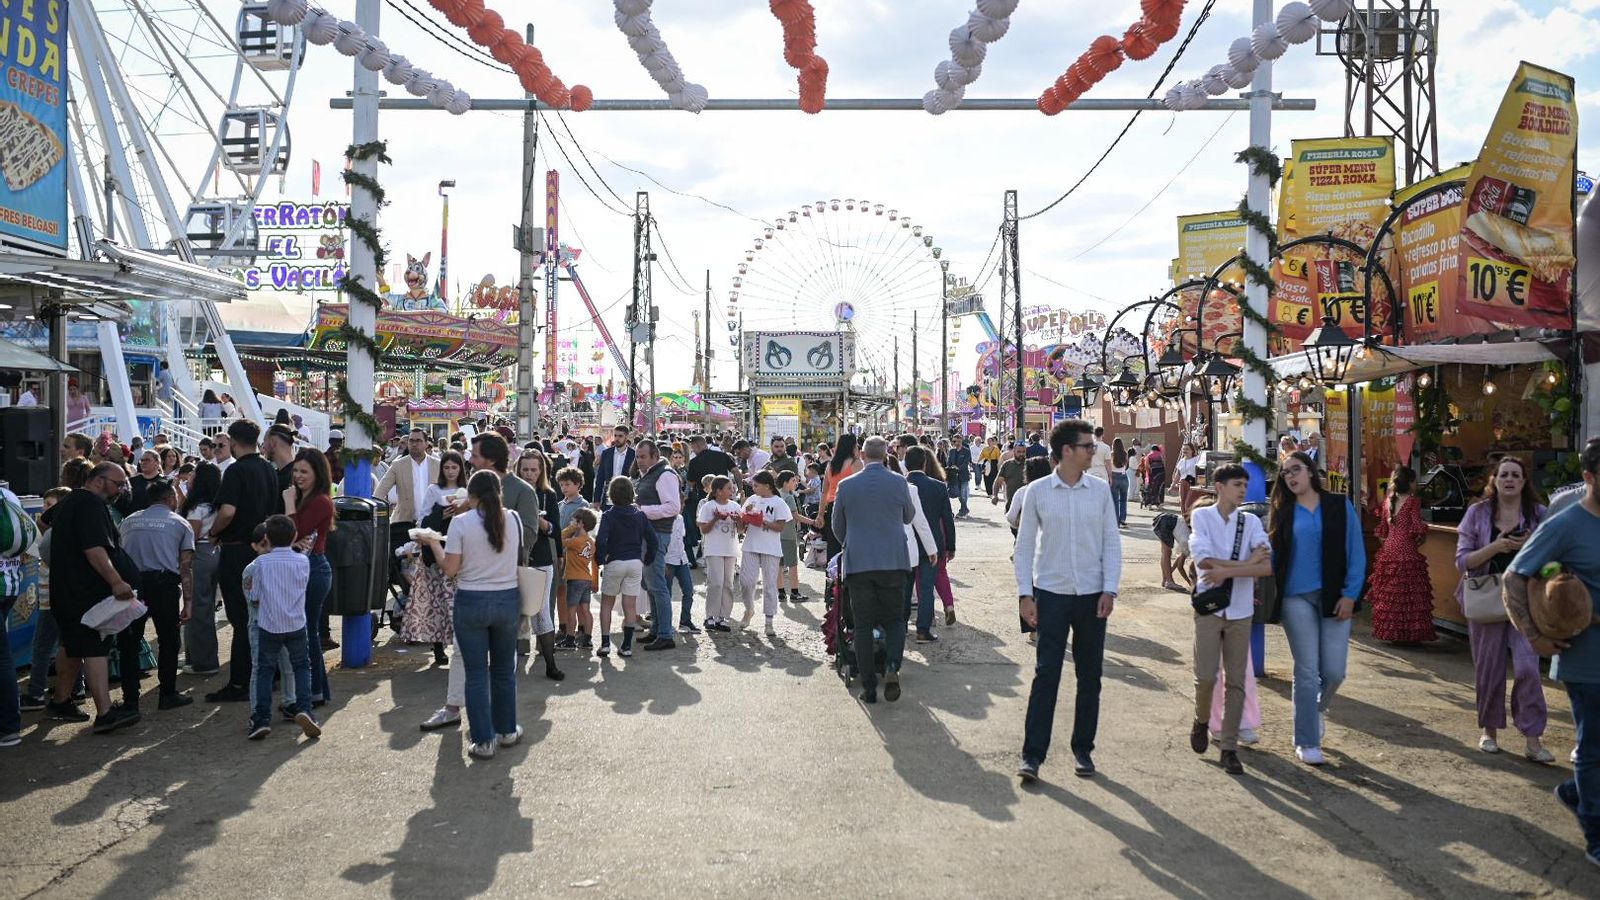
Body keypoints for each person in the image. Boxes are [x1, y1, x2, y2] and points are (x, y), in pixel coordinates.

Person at [1503, 437, 1600, 866]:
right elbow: (1514, 577)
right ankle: (1596, 836)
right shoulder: (1566, 524)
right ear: (1589, 477)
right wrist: (1532, 637)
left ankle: (1577, 791)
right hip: (1585, 654)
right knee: (1594, 747)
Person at [1014, 420, 1121, 783]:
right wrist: (1025, 594)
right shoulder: (1038, 491)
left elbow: (1111, 542)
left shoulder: (1099, 491)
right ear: (1067, 451)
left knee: (1090, 676)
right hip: (1051, 594)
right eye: (1088, 446)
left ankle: (1083, 749)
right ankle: (1032, 755)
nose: (1094, 451)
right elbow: (1024, 546)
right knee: (1047, 674)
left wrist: (1110, 589)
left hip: (1093, 596)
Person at [1267, 450, 1367, 767]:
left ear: (1310, 471)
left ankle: (1316, 710)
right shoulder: (1283, 511)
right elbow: (1273, 557)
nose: (1290, 477)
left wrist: (1351, 595)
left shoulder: (1338, 506)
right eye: (1285, 473)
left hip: (1334, 597)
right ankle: (1307, 740)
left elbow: (1356, 553)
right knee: (1307, 670)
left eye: (1296, 470)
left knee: (1335, 672)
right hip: (1295, 599)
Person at [414, 472, 522, 759]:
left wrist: (433, 543)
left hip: (472, 599)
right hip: (507, 598)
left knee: (475, 673)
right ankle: (507, 730)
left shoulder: (461, 523)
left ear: (470, 495)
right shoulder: (513, 519)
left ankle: (483, 740)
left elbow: (450, 569)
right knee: (503, 670)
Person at [1457, 456, 1550, 760]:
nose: (1509, 479)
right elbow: (1463, 561)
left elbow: (1554, 558)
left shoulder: (1539, 514)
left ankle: (1533, 739)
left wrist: (1530, 547)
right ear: (1494, 481)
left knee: (1528, 667)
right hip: (1487, 599)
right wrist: (1496, 547)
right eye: (1504, 475)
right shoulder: (1477, 513)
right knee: (1489, 668)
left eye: (1515, 475)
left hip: (1526, 600)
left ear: (1524, 482)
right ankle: (1489, 731)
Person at [1185, 464, 1271, 775]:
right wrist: (1246, 564)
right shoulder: (1202, 517)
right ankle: (1201, 719)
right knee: (1206, 676)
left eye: (1245, 485)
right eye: (1237, 484)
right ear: (1220, 487)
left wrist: (1227, 571)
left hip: (1241, 610)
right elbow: (1204, 561)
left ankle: (1229, 748)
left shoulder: (1251, 522)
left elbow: (1266, 567)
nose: (1243, 491)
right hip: (1210, 608)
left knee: (1236, 681)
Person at [48, 462, 142, 733]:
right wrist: (116, 582)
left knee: (72, 645)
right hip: (84, 593)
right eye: (117, 484)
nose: (120, 490)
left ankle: (60, 701)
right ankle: (105, 713)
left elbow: (45, 522)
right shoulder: (89, 503)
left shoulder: (71, 500)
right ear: (99, 481)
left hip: (69, 590)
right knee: (93, 648)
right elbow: (94, 549)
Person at [830, 436, 918, 704]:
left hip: (859, 563)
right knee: (895, 620)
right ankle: (891, 666)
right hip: (893, 561)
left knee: (863, 624)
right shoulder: (899, 482)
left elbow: (837, 526)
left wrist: (851, 542)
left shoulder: (846, 485)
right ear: (886, 455)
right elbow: (909, 516)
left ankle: (868, 687)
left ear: (862, 455)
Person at [204, 420, 282, 703]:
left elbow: (227, 511)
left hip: (237, 550)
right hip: (263, 549)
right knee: (263, 615)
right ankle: (270, 674)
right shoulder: (269, 469)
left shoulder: (236, 471)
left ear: (234, 443)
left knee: (240, 618)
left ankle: (239, 682)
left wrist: (213, 533)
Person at [116, 480, 196, 712]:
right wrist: (188, 602)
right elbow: (185, 566)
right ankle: (167, 694)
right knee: (169, 641)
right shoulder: (180, 523)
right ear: (171, 499)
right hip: (164, 587)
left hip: (132, 589)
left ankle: (130, 699)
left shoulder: (128, 521)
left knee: (129, 643)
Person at [285, 448, 336, 706]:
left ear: (318, 473)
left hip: (313, 569)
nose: (298, 476)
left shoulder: (320, 501)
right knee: (307, 632)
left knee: (306, 633)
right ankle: (317, 690)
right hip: (302, 567)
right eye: (296, 470)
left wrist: (288, 503)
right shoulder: (303, 497)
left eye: (304, 471)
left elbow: (292, 532)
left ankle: (313, 690)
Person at [1367, 465, 1436, 645]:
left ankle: (1393, 633)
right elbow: (1417, 525)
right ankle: (1408, 634)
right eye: (1415, 481)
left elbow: (1383, 529)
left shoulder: (1387, 501)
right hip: (1406, 549)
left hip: (1389, 549)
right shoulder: (1413, 501)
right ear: (1410, 482)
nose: (1416, 485)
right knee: (1409, 592)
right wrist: (1422, 534)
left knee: (1391, 592)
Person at [515, 446, 568, 672]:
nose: (529, 474)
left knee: (541, 610)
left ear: (541, 471)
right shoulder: (511, 492)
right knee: (514, 610)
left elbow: (556, 530)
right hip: (515, 558)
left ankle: (550, 664)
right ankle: (513, 659)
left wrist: (542, 524)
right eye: (525, 469)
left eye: (533, 470)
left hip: (542, 558)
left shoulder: (548, 495)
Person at [594, 476, 658, 658]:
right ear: (632, 493)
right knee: (630, 605)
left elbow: (601, 540)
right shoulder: (640, 515)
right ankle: (627, 645)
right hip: (635, 562)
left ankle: (605, 644)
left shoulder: (608, 516)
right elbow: (653, 540)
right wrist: (647, 559)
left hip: (615, 561)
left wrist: (601, 560)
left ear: (611, 494)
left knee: (607, 604)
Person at [632, 439, 683, 649]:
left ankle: (664, 634)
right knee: (651, 585)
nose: (639, 460)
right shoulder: (651, 473)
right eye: (637, 456)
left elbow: (673, 507)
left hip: (657, 534)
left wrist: (642, 511)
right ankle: (656, 630)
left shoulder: (664, 474)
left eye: (643, 456)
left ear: (655, 456)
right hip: (650, 534)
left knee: (657, 586)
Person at [905, 446, 955, 642]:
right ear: (924, 463)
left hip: (906, 544)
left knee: (905, 588)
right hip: (931, 543)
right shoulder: (938, 486)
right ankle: (922, 630)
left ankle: (901, 627)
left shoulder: (899, 485)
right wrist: (951, 545)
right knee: (926, 588)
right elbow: (947, 519)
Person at [179, 463, 222, 676]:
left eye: (194, 474)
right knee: (205, 607)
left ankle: (203, 661)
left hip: (200, 555)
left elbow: (191, 536)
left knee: (198, 608)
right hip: (215, 552)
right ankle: (199, 657)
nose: (190, 477)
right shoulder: (216, 505)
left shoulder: (198, 507)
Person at [697, 475, 742, 633]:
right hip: (714, 549)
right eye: (728, 488)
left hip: (730, 549)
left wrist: (738, 520)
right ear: (718, 491)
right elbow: (704, 529)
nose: (732, 491)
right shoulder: (708, 506)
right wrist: (716, 518)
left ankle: (724, 616)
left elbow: (741, 530)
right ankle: (710, 616)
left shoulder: (735, 506)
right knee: (715, 583)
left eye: (732, 488)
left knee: (728, 583)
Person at [561, 508, 600, 654]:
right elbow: (594, 563)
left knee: (571, 610)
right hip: (586, 579)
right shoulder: (591, 542)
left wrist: (571, 528)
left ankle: (570, 640)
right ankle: (587, 639)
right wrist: (595, 582)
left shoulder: (576, 541)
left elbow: (560, 539)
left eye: (573, 520)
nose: (571, 522)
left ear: (580, 523)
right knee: (585, 610)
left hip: (574, 579)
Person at [820, 433, 862, 561]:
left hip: (832, 506)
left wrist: (820, 514)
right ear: (853, 447)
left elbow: (824, 492)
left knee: (833, 544)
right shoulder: (856, 463)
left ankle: (832, 571)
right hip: (852, 506)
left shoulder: (831, 465)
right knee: (850, 543)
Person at [775, 471, 814, 603]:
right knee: (792, 565)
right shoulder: (789, 497)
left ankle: (781, 593)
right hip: (788, 534)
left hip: (776, 534)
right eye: (793, 481)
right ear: (785, 482)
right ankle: (795, 592)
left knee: (779, 565)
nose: (796, 483)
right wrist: (813, 522)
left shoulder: (776, 495)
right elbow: (795, 516)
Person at [592, 425, 636, 510]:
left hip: (626, 499)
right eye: (615, 435)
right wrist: (596, 499)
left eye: (620, 436)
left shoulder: (633, 455)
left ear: (626, 437)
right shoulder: (606, 453)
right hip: (608, 498)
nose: (617, 438)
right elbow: (600, 478)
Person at [263, 424, 298, 499]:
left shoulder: (296, 476)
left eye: (265, 440)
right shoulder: (275, 475)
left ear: (273, 442)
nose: (263, 447)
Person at [128, 450, 168, 514]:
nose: (143, 463)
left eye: (147, 460)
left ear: (157, 463)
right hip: (135, 517)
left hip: (157, 517)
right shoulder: (132, 481)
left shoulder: (166, 482)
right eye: (142, 460)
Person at [991, 442, 1028, 511]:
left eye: (1023, 452)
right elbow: (997, 482)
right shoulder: (1007, 465)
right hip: (1011, 505)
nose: (1021, 454)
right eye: (1019, 452)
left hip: (1027, 506)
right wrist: (995, 495)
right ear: (1013, 451)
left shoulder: (1030, 465)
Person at [1109, 438, 1130, 528]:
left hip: (1114, 477)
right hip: (1124, 477)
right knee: (1123, 500)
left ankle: (1116, 522)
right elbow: (1127, 466)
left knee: (1115, 501)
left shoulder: (1111, 454)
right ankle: (1122, 519)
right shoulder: (1125, 454)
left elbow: (1109, 466)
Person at [1174, 443, 1200, 511]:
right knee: (1182, 502)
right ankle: (1184, 517)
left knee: (1188, 503)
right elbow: (1178, 474)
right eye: (1183, 449)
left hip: (1193, 483)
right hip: (1183, 484)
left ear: (1192, 450)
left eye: (1187, 449)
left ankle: (1190, 516)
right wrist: (1172, 485)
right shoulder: (1181, 461)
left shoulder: (1196, 459)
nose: (1185, 451)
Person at [1144, 443, 1168, 509]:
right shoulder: (1161, 454)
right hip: (1161, 473)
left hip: (1152, 474)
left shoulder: (1149, 455)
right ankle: (1159, 503)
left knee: (1151, 487)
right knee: (1160, 487)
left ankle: (1149, 504)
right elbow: (1164, 463)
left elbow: (1147, 466)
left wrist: (1149, 473)